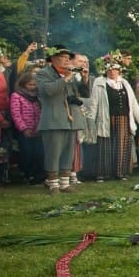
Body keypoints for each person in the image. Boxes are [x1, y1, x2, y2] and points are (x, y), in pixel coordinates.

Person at [36, 47, 91, 194]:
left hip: (71, 118)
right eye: (63, 57)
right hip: (54, 118)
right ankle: (53, 183)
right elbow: (48, 91)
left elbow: (85, 94)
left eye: (68, 58)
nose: (67, 60)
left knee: (68, 152)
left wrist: (84, 78)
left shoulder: (71, 74)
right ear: (52, 58)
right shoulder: (43, 73)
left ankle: (64, 183)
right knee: (53, 152)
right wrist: (66, 78)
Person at [85, 60, 139, 181]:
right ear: (106, 71)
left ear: (119, 71)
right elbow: (94, 102)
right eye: (110, 70)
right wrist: (91, 120)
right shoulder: (100, 83)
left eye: (115, 69)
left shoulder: (125, 83)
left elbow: (133, 103)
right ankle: (102, 174)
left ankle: (120, 173)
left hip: (123, 119)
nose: (112, 72)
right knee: (105, 145)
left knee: (121, 145)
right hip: (106, 118)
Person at [10, 68, 45, 185]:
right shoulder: (16, 96)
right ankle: (27, 174)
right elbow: (16, 114)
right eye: (30, 85)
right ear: (23, 84)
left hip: (38, 129)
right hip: (25, 130)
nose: (33, 87)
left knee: (39, 153)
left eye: (35, 84)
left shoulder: (37, 96)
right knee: (27, 153)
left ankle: (38, 175)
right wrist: (24, 128)